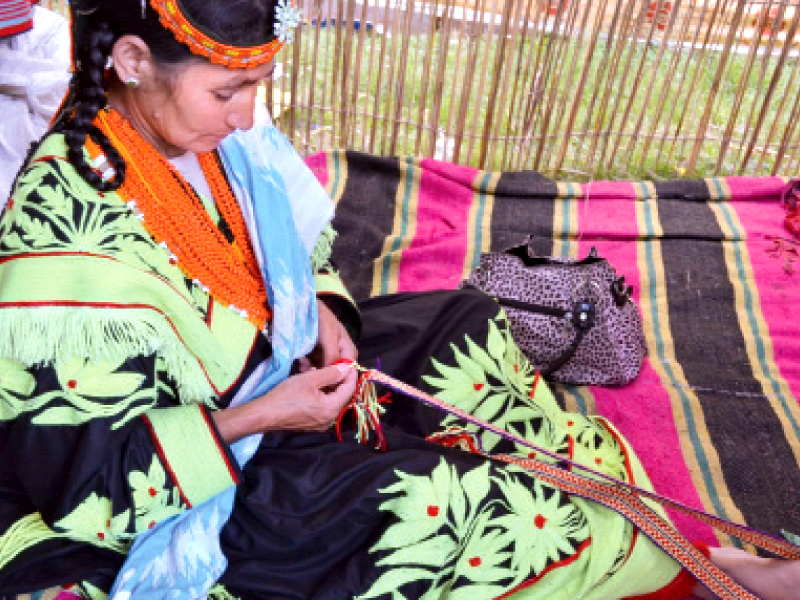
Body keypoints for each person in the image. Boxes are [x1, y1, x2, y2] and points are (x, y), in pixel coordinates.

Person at [0, 0, 798, 598]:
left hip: (279, 383)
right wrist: (265, 416)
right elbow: (81, 483)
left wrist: (329, 317)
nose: (248, 116)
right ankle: (689, 568)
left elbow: (293, 247)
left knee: (468, 325)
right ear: (134, 61)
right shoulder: (58, 236)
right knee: (449, 503)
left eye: (257, 88)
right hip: (211, 474)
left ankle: (659, 534)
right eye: (228, 92)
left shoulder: (200, 137)